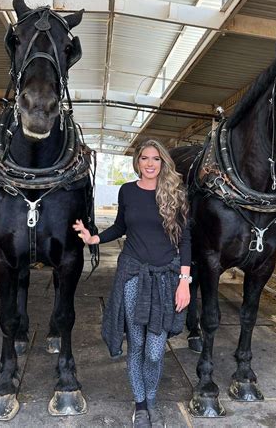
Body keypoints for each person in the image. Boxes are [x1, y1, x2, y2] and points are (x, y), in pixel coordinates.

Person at [73, 139, 191, 428]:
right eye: (145, 158)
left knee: (154, 350)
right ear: (137, 162)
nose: (150, 163)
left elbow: (186, 239)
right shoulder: (127, 191)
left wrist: (185, 280)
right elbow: (120, 227)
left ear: (163, 163)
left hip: (166, 277)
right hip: (132, 274)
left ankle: (150, 398)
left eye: (156, 159)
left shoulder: (176, 193)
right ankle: (142, 406)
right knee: (136, 344)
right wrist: (93, 238)